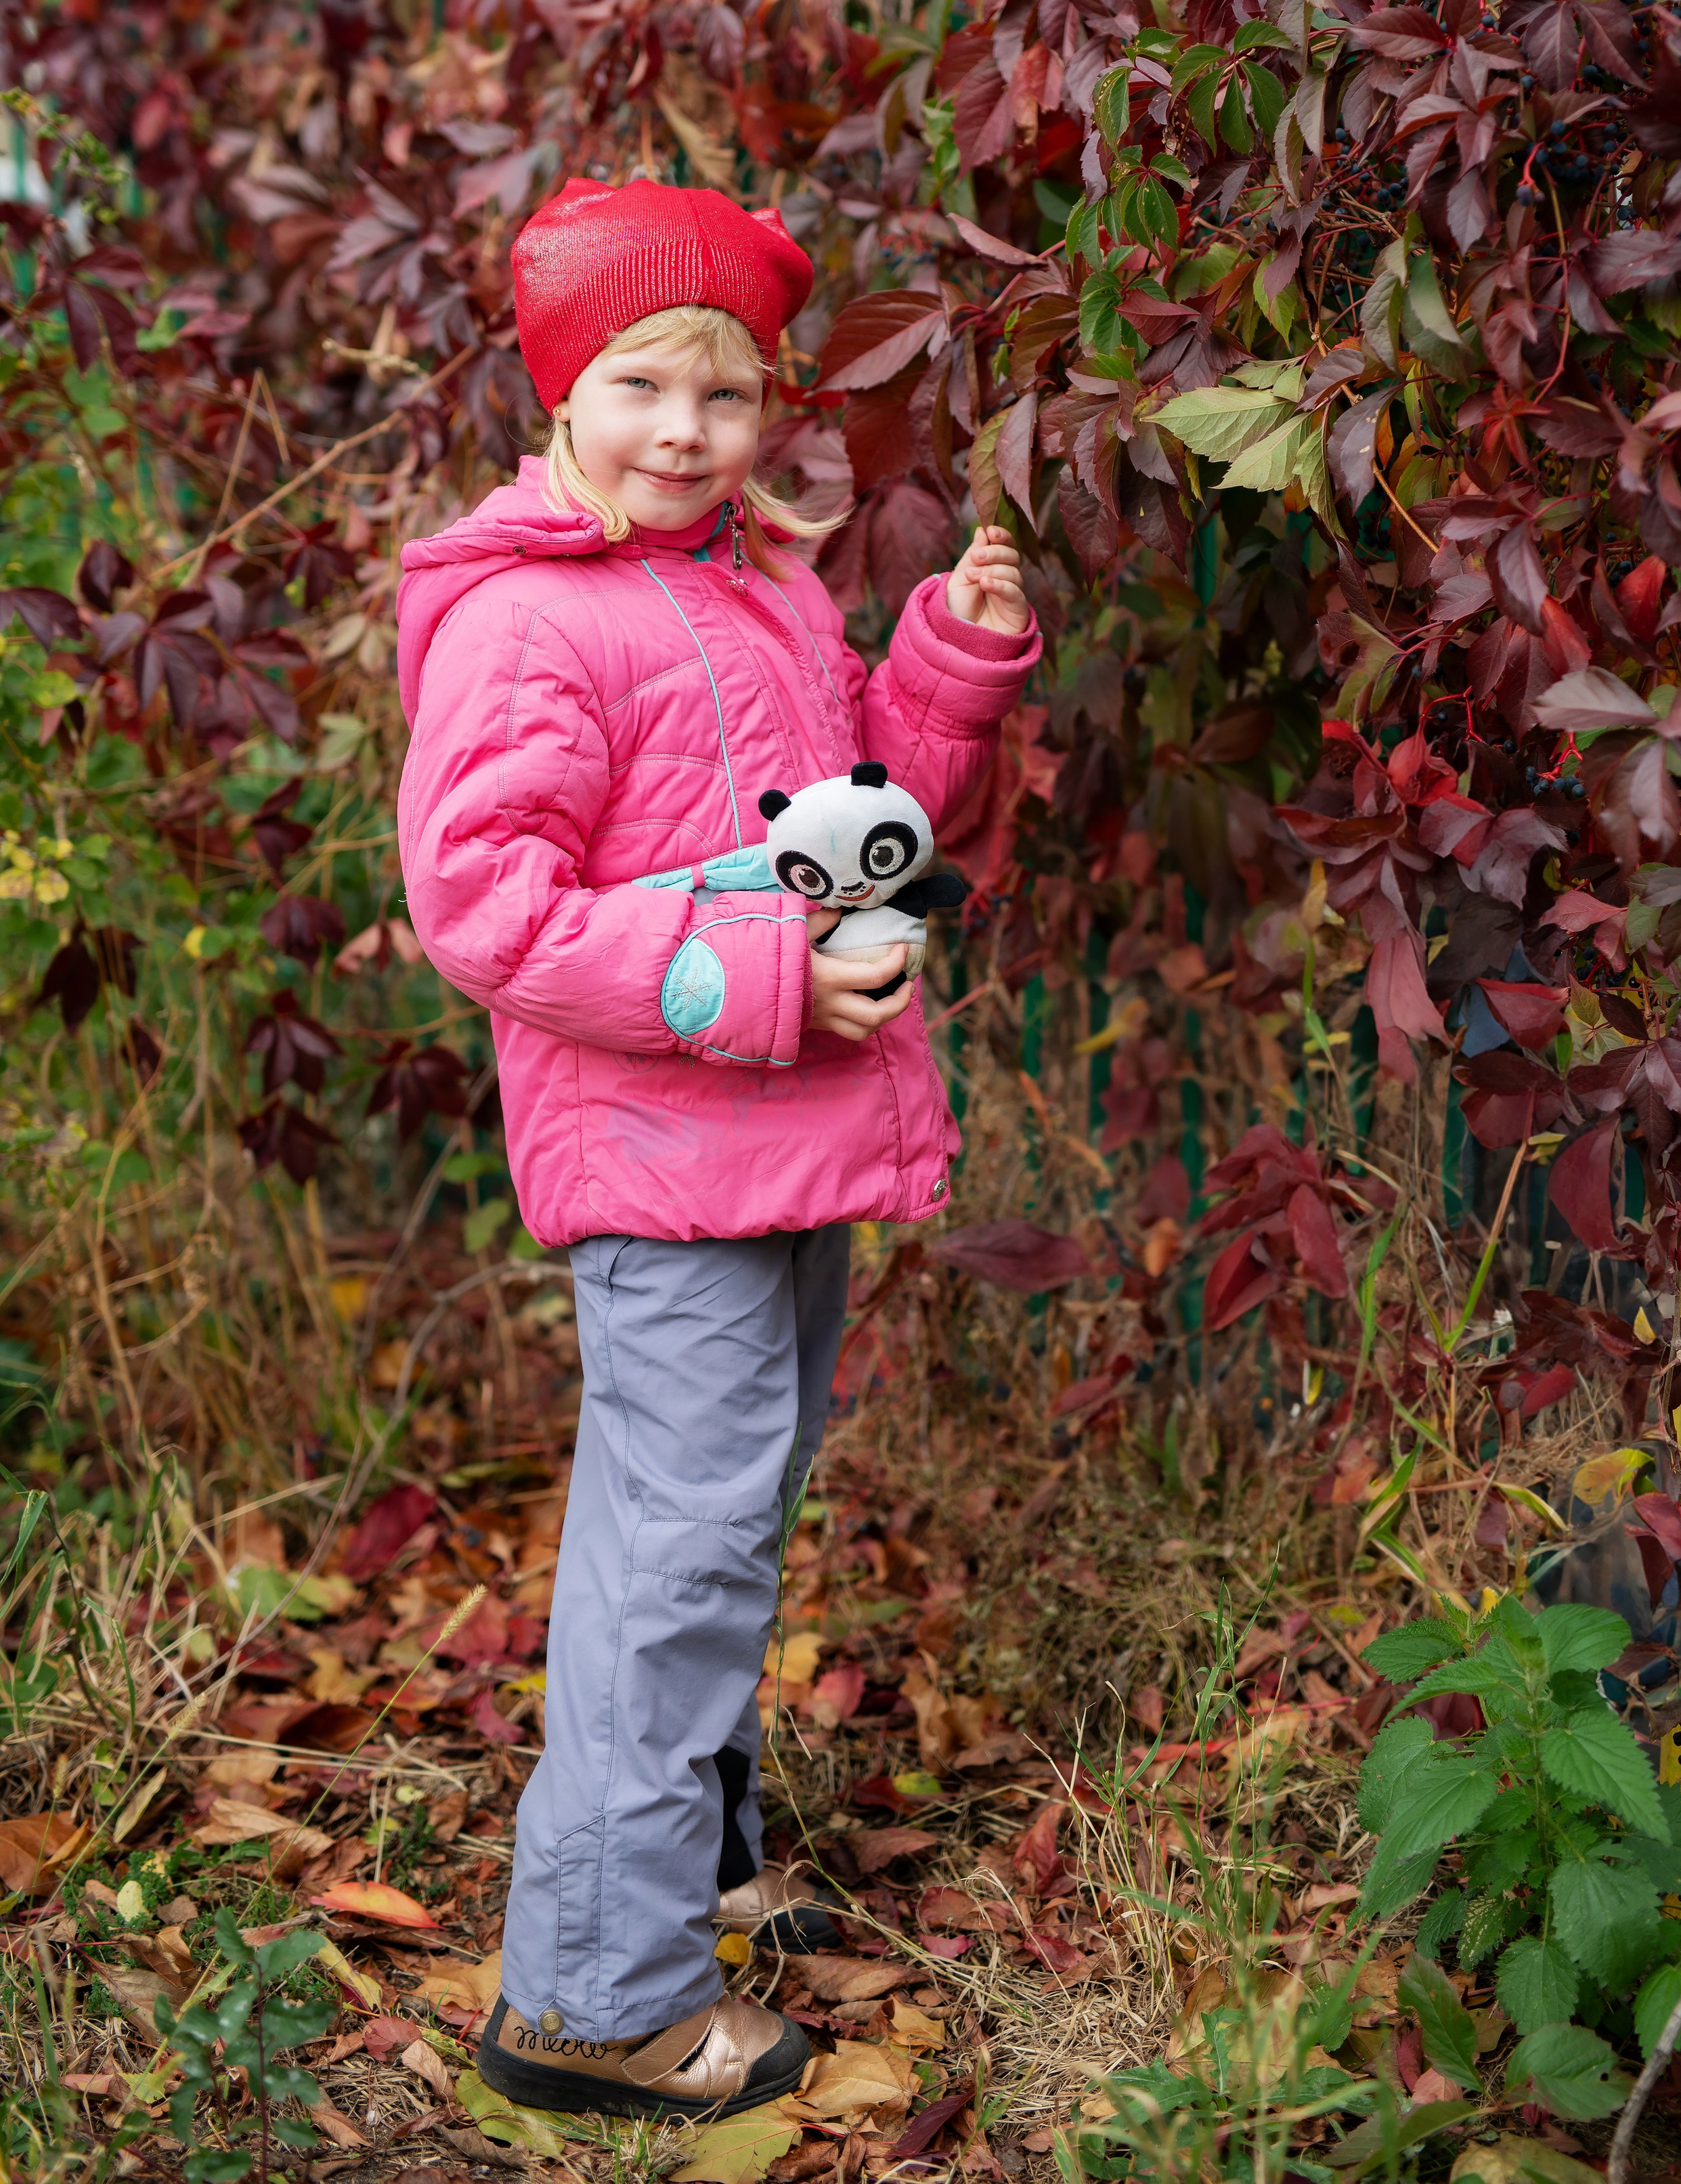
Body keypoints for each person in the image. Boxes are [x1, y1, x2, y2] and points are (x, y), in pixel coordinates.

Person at [395, 177, 1037, 2122]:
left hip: (788, 1146)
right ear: (559, 400)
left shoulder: (757, 584)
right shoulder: (528, 620)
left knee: (724, 1531)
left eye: (727, 393)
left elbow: (861, 838)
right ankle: (594, 1994)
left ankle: (684, 1866)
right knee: (671, 1558)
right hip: (669, 1162)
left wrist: (945, 667)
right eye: (639, 386)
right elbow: (485, 912)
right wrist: (753, 974)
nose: (685, 430)